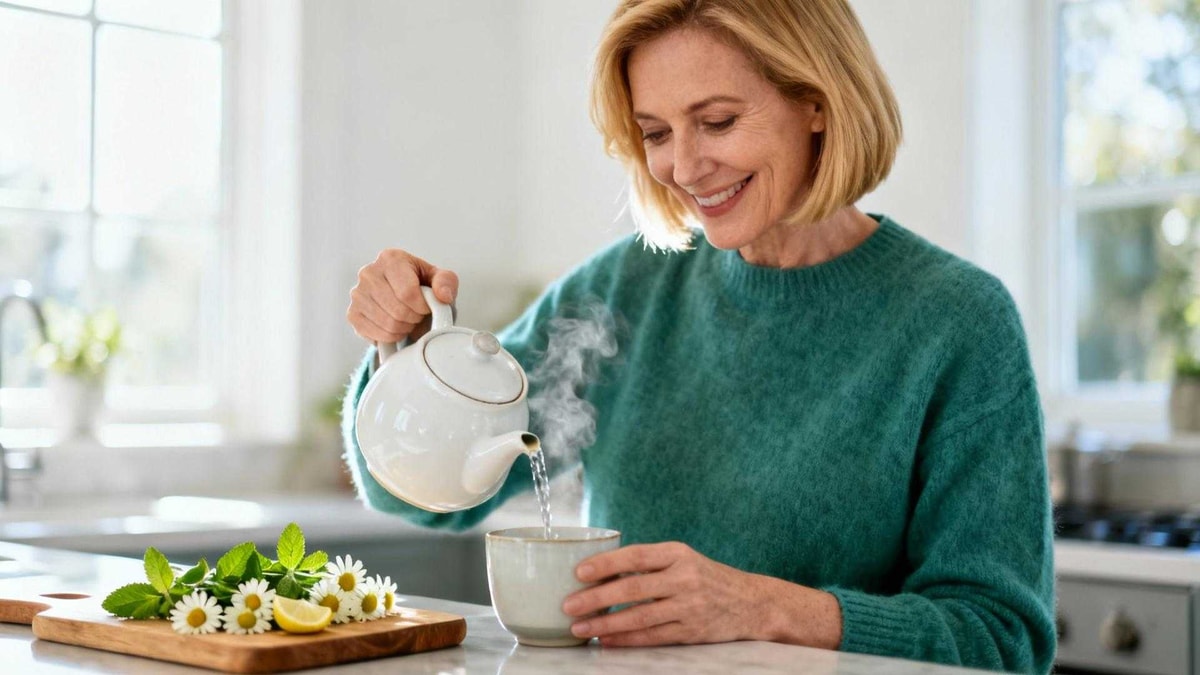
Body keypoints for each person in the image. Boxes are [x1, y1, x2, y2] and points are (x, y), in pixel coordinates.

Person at [342, 0, 1056, 672]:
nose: (683, 167)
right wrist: (399, 357)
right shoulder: (622, 293)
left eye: (715, 121)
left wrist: (767, 607)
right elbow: (426, 493)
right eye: (656, 133)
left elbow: (1003, 640)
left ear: (816, 100)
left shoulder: (956, 321)